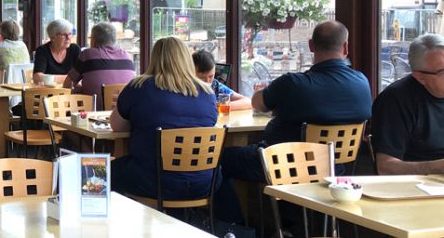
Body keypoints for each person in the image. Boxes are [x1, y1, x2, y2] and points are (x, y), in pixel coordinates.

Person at [222, 21, 371, 184]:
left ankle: (233, 211)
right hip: (334, 169)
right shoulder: (362, 82)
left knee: (218, 159)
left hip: (282, 165)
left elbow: (257, 103)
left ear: (311, 46)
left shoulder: (293, 83)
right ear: (346, 47)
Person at [109, 37, 234, 222]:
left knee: (102, 173)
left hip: (154, 182)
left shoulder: (138, 87)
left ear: (154, 58)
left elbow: (116, 126)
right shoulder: (208, 93)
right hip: (205, 183)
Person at [372, 34, 444, 174]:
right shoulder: (396, 100)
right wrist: (438, 168)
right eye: (442, 71)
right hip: (415, 187)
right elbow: (385, 167)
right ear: (420, 77)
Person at [64, 22, 136, 109]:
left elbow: (68, 84)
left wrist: (83, 88)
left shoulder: (87, 55)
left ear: (93, 40)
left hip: (95, 114)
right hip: (124, 113)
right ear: (114, 39)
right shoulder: (127, 56)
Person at [33, 19, 81, 83]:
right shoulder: (42, 50)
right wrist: (70, 78)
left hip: (71, 91)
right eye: (63, 35)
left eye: (69, 34)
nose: (68, 38)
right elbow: (37, 77)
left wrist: (49, 78)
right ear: (52, 37)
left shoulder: (75, 49)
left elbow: (82, 75)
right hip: (49, 91)